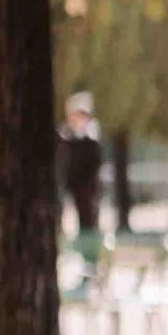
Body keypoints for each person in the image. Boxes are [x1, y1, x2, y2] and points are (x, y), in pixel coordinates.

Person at [58, 89, 104, 240]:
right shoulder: (68, 134)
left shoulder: (90, 135)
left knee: (89, 221)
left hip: (87, 187)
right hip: (74, 185)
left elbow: (92, 160)